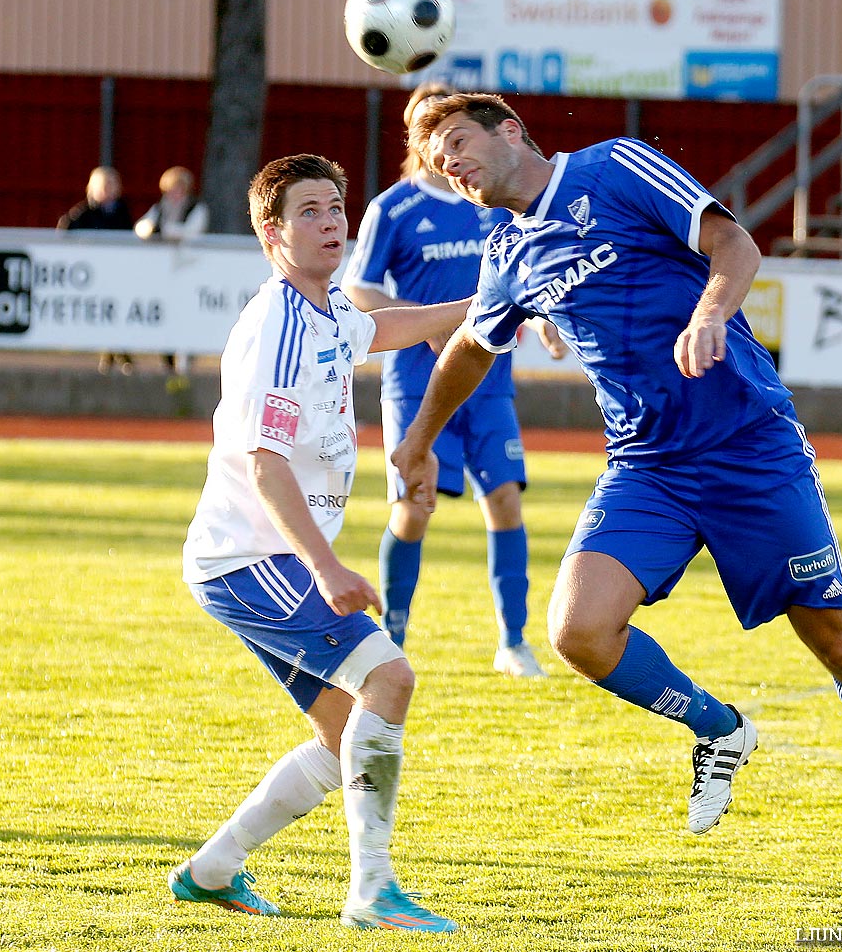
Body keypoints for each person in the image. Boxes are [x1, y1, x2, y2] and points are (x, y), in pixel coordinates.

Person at [394, 93, 842, 913]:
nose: (450, 162)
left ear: (511, 131)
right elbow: (470, 350)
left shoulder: (613, 166)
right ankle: (717, 725)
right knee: (577, 633)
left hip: (748, 450)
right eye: (438, 158)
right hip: (646, 467)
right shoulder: (507, 250)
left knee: (841, 646)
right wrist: (416, 440)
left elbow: (734, 243)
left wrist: (708, 315)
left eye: (457, 142)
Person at [171, 153, 465, 932]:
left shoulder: (329, 311)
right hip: (251, 558)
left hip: (256, 559)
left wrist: (482, 305)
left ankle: (210, 873)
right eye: (309, 211)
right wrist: (326, 565)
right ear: (272, 233)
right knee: (390, 681)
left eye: (336, 207)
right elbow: (262, 463)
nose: (331, 221)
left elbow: (386, 327)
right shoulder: (277, 323)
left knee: (345, 741)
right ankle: (372, 892)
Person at [342, 83, 564, 676]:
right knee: (414, 508)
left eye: (451, 132)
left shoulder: (492, 198)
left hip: (488, 382)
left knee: (506, 502)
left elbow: (530, 272)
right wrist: (421, 323)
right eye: (424, 130)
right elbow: (359, 289)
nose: (439, 146)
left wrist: (545, 319)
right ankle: (391, 637)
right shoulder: (393, 207)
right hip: (416, 383)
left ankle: (514, 643)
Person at [57, 166, 136, 375]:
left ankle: (115, 354)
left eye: (112, 185)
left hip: (117, 272)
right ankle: (113, 354)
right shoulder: (83, 212)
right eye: (104, 185)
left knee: (116, 311)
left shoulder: (122, 211)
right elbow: (65, 231)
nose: (109, 190)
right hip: (92, 275)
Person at [135, 166, 211, 372]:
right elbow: (142, 227)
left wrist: (164, 231)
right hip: (163, 271)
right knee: (166, 311)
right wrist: (151, 230)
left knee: (186, 312)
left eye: (180, 188)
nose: (175, 193)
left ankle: (185, 359)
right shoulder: (160, 208)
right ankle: (167, 358)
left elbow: (192, 232)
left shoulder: (196, 208)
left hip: (189, 269)